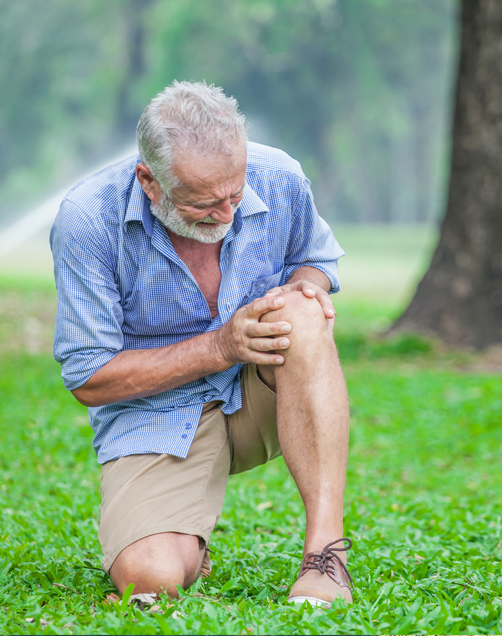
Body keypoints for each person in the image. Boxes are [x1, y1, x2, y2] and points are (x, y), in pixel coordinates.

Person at [49, 81, 353, 607]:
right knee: (151, 580)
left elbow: (316, 260)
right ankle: (180, 537)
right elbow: (90, 377)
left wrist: (305, 287)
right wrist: (219, 348)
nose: (228, 213)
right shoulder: (87, 220)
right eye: (204, 205)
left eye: (235, 195)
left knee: (304, 312)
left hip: (266, 394)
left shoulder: (278, 174)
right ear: (150, 181)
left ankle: (326, 555)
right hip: (155, 416)